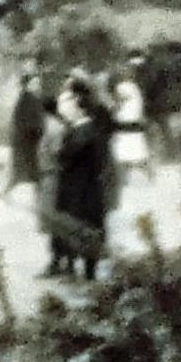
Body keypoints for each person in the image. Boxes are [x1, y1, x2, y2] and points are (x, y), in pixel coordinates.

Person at [53, 85, 108, 281]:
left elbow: (66, 157)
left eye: (69, 105)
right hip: (84, 189)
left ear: (79, 108)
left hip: (81, 191)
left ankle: (87, 274)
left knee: (83, 230)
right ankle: (82, 272)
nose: (65, 110)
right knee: (82, 230)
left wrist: (59, 155)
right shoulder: (84, 129)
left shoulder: (83, 131)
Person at [35, 96, 69, 278]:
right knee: (52, 221)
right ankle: (58, 261)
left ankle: (58, 262)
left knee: (53, 222)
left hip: (52, 177)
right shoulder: (52, 125)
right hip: (48, 176)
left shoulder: (53, 127)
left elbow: (58, 153)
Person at [0, 74, 44, 199]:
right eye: (35, 83)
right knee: (29, 170)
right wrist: (37, 133)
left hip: (26, 139)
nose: (38, 85)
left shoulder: (28, 97)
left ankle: (7, 192)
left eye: (38, 83)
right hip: (27, 139)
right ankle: (38, 196)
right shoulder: (28, 99)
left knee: (26, 170)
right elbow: (26, 120)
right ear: (28, 84)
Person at [112, 62, 153, 185]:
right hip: (136, 122)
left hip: (124, 123)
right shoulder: (136, 88)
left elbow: (118, 104)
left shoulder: (121, 87)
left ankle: (124, 180)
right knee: (139, 152)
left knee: (122, 154)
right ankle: (149, 175)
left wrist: (113, 111)